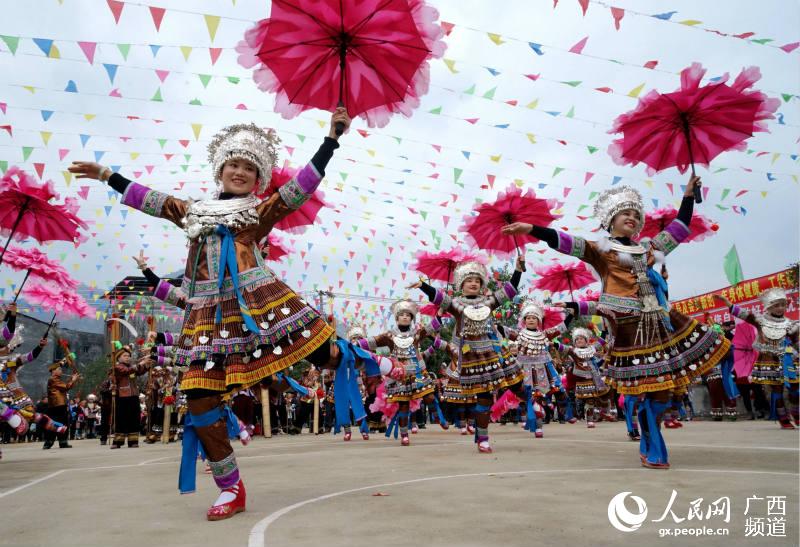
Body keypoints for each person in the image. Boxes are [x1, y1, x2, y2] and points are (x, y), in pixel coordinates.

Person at [69, 110, 353, 521]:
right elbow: (151, 200)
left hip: (259, 302)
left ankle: (363, 358)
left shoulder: (258, 212)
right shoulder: (194, 211)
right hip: (206, 317)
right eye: (233, 164)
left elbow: (298, 190)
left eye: (249, 167)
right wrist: (106, 175)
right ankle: (230, 487)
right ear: (220, 169)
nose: (240, 171)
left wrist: (330, 142)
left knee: (324, 354)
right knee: (199, 401)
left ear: (258, 179)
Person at [502, 177, 731, 469]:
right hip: (626, 327)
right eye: (627, 214)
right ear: (611, 220)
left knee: (661, 393)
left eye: (637, 215)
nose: (633, 219)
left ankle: (649, 435)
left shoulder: (649, 249)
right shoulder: (601, 249)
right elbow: (565, 241)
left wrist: (687, 197)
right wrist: (532, 230)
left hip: (657, 324)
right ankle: (653, 442)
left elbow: (679, 228)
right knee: (642, 388)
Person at [409, 256, 526, 453]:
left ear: (482, 284)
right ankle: (483, 437)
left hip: (496, 353)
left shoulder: (489, 302)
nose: (473, 283)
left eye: (477, 280)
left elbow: (509, 291)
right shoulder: (456, 305)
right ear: (461, 285)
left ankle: (532, 406)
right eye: (469, 280)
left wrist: (518, 270)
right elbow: (439, 297)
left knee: (519, 386)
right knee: (484, 398)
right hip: (473, 358)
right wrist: (423, 286)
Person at [715, 288, 798, 428]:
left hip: (789, 361)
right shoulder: (761, 320)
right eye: (776, 305)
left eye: (783, 305)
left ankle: (796, 414)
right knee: (777, 390)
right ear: (769, 307)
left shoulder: (791, 324)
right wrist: (727, 303)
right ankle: (783, 417)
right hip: (770, 360)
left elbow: (797, 342)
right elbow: (744, 314)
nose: (780, 308)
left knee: (796, 389)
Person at [44, 360, 79, 449]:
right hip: (56, 405)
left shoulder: (57, 380)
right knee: (54, 424)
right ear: (53, 371)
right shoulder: (53, 379)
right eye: (59, 369)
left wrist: (72, 379)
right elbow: (66, 387)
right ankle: (49, 442)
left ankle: (62, 442)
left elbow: (65, 386)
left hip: (60, 404)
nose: (61, 371)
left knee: (63, 424)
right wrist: (73, 379)